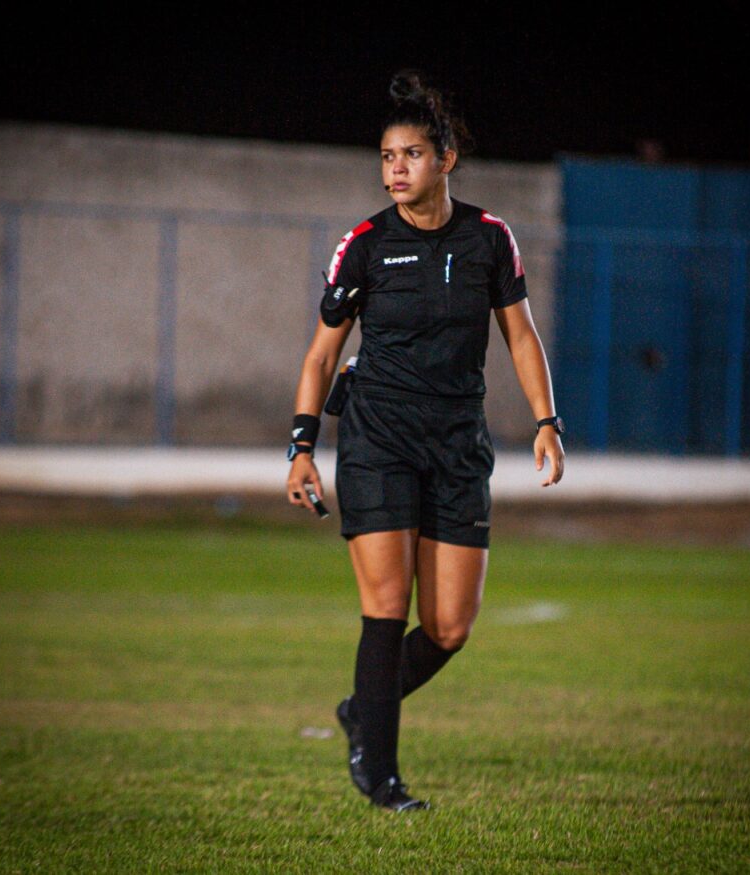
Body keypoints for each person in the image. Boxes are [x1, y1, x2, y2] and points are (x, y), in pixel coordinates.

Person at [286, 70, 565, 812]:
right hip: (378, 440)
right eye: (386, 157)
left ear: (446, 158)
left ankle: (362, 709)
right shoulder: (366, 246)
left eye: (410, 154)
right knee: (386, 607)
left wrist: (546, 421)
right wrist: (301, 447)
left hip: (456, 446)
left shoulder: (488, 239)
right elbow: (320, 355)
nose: (396, 169)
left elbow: (521, 337)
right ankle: (381, 777)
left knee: (448, 627)